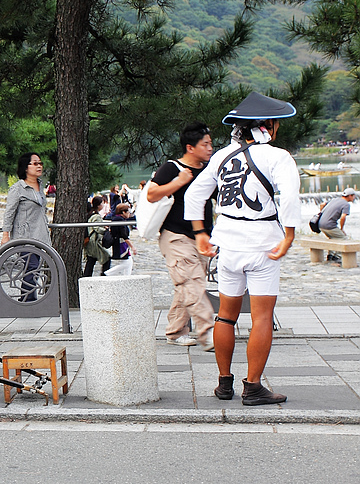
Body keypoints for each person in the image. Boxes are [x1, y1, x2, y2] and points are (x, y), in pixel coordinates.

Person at [185, 92, 301, 406]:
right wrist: (288, 235)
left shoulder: (221, 156)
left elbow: (194, 195)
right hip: (264, 245)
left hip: (228, 245)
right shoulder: (278, 157)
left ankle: (224, 384)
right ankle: (253, 387)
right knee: (261, 318)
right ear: (269, 126)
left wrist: (200, 233)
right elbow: (289, 198)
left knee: (225, 317)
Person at [147, 122, 216, 349]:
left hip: (201, 237)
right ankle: (209, 334)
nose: (210, 148)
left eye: (211, 144)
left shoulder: (208, 171)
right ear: (190, 147)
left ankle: (175, 332)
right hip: (175, 236)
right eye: (205, 144)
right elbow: (152, 194)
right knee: (192, 282)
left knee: (187, 284)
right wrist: (179, 181)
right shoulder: (172, 167)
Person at [2, 152, 50, 301]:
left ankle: (26, 301)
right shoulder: (18, 188)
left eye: (40, 163)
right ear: (25, 167)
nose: (39, 166)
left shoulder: (40, 186)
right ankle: (28, 301)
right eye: (35, 163)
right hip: (25, 236)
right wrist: (6, 235)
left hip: (40, 234)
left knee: (35, 268)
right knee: (32, 266)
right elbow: (9, 212)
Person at [317, 187, 355, 263]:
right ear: (350, 196)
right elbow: (343, 217)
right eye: (353, 195)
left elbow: (322, 204)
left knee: (333, 238)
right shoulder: (346, 204)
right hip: (329, 226)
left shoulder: (334, 200)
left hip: (320, 224)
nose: (354, 197)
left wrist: (322, 213)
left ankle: (330, 255)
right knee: (343, 239)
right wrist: (342, 228)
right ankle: (336, 257)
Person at [103, 202, 135, 276]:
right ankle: (107, 273)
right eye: (128, 212)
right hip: (120, 244)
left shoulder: (117, 219)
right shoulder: (119, 220)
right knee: (127, 262)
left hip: (120, 243)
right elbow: (124, 235)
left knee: (129, 261)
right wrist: (132, 246)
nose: (129, 214)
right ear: (123, 212)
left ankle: (127, 277)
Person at [83, 195, 110, 277]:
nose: (103, 205)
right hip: (94, 242)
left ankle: (86, 277)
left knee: (91, 260)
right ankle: (104, 275)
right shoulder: (96, 216)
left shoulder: (91, 214)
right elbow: (97, 228)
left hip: (90, 241)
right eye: (102, 203)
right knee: (106, 258)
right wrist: (105, 231)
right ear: (98, 205)